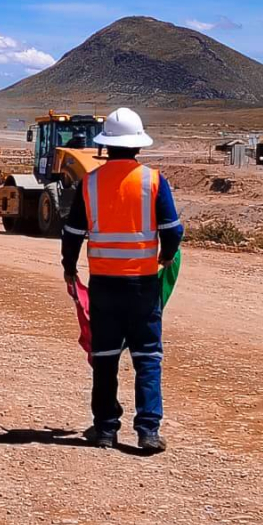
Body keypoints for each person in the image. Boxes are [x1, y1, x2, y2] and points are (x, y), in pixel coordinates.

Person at [61, 107, 183, 454]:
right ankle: (147, 431)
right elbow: (172, 231)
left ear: (106, 146)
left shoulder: (90, 182)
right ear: (138, 146)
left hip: (103, 285)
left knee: (105, 357)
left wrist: (69, 266)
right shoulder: (153, 181)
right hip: (143, 285)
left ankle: (104, 430)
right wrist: (166, 256)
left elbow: (72, 233)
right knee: (147, 357)